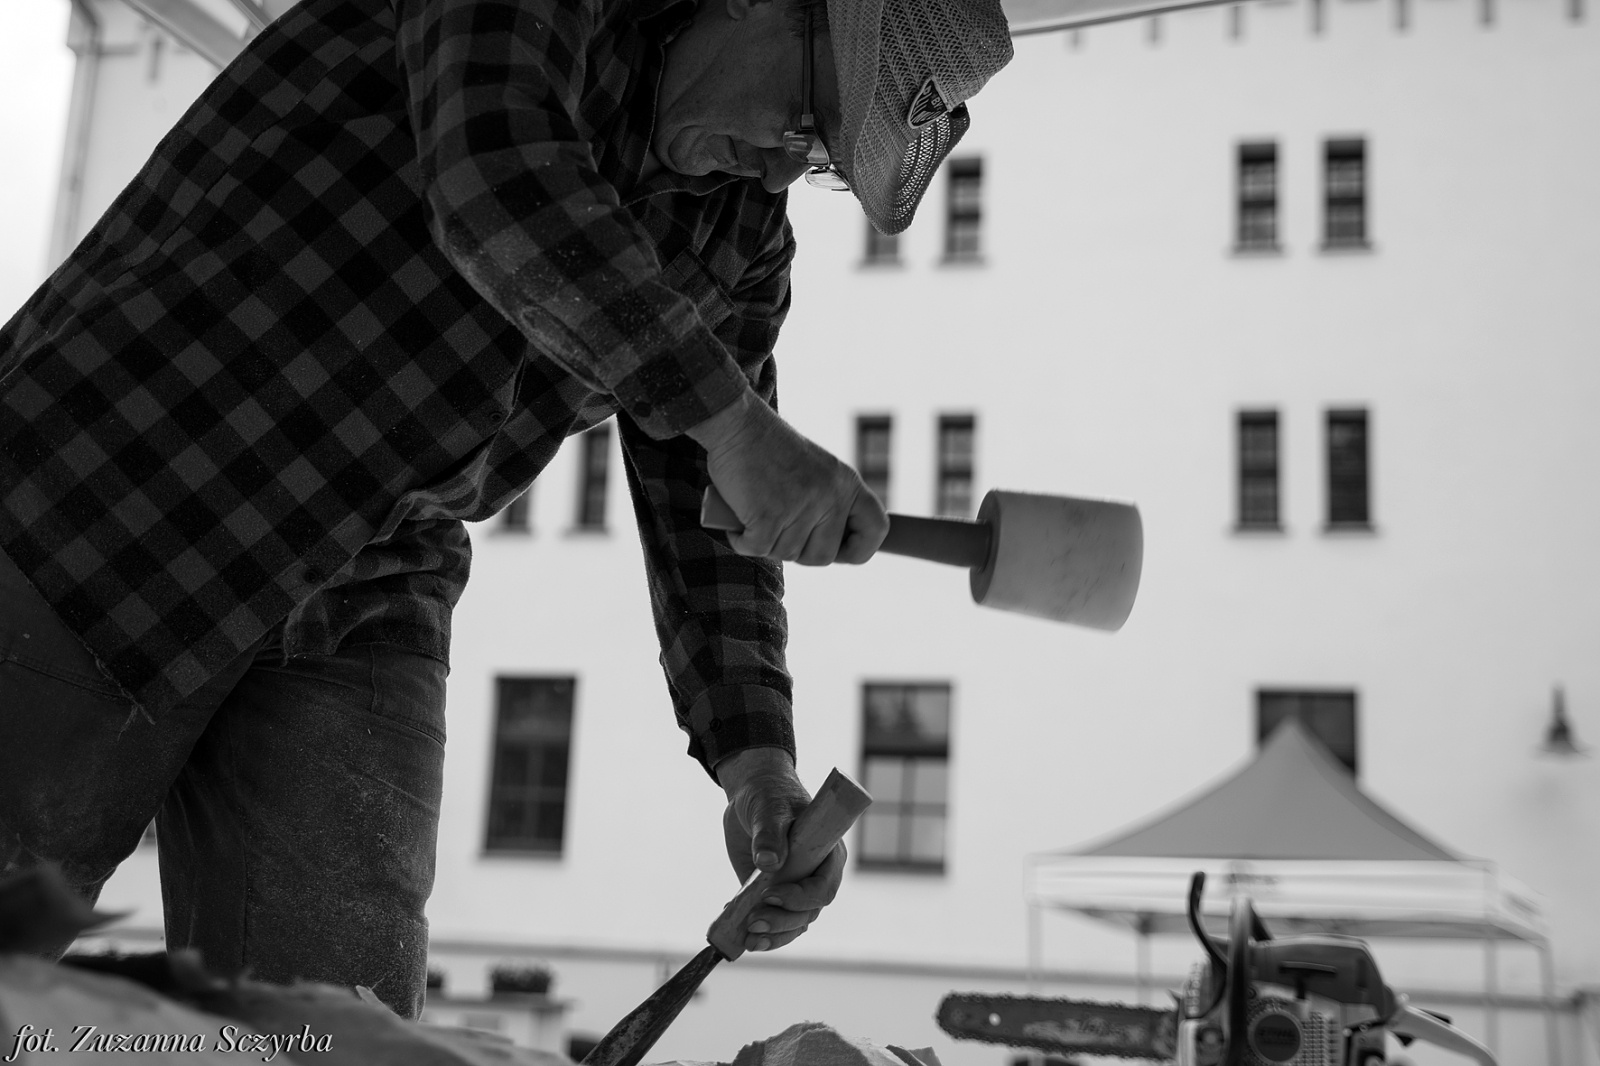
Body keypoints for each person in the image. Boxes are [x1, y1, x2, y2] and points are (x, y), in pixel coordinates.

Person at [0, 0, 1012, 1018]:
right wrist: (738, 426)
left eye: (822, 160)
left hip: (375, 568)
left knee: (343, 1030)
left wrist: (758, 766)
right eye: (804, 115)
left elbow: (707, 505)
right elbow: (498, 177)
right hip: (129, 476)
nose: (786, 170)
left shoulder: (741, 231)